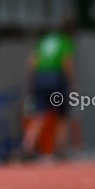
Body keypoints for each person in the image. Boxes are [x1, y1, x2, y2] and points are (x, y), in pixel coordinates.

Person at [21, 25, 78, 157]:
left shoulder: (43, 41)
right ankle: (61, 148)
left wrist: (32, 82)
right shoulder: (65, 42)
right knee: (61, 116)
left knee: (39, 115)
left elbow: (32, 61)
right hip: (56, 77)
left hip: (40, 78)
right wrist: (72, 82)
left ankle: (27, 146)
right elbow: (67, 62)